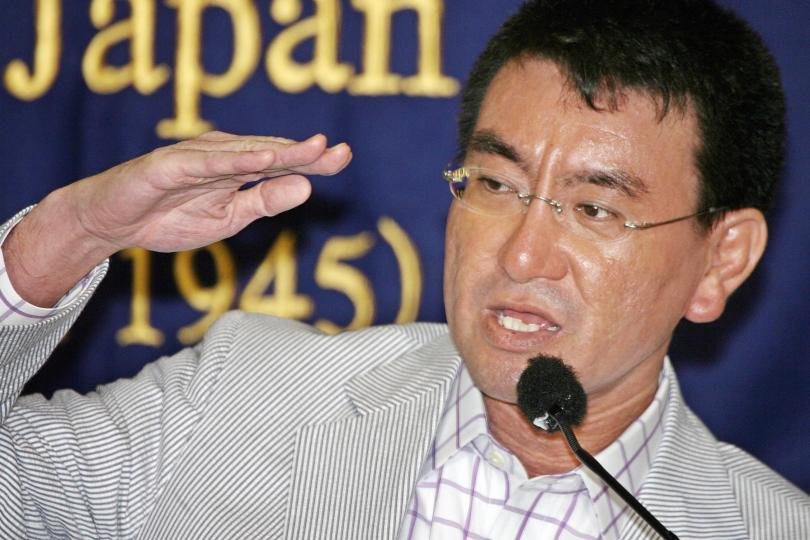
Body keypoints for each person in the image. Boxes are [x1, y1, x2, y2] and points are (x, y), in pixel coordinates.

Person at [1, 0, 808, 538]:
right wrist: (63, 238)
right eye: (495, 185)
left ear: (721, 261)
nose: (522, 255)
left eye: (595, 209)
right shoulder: (241, 395)